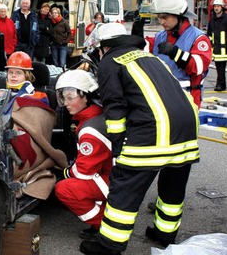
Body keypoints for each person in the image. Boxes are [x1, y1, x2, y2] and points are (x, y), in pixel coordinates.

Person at [80, 23, 200, 255]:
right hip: (186, 130)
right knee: (172, 188)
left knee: (125, 187)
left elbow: (115, 108)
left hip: (153, 132)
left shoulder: (110, 62)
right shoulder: (149, 57)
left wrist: (117, 148)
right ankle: (165, 234)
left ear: (104, 46)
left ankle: (109, 246)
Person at [54, 69, 111, 241]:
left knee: (64, 189)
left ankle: (102, 224)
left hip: (113, 179)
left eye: (71, 98)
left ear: (86, 97)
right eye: (64, 97)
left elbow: (84, 172)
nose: (66, 102)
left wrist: (64, 173)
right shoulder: (98, 115)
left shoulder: (90, 130)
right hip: (118, 174)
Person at [150, 0, 212, 108]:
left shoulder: (198, 38)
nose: (161, 22)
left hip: (187, 99)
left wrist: (175, 53)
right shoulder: (160, 36)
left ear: (178, 16)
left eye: (165, 17)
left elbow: (198, 67)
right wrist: (136, 38)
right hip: (162, 97)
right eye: (159, 17)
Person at [208, 0, 227, 92]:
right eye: (215, 6)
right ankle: (222, 85)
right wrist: (209, 46)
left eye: (218, 6)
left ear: (222, 7)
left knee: (221, 68)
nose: (216, 8)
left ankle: (219, 85)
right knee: (218, 67)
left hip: (224, 49)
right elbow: (209, 34)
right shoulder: (212, 19)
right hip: (216, 49)